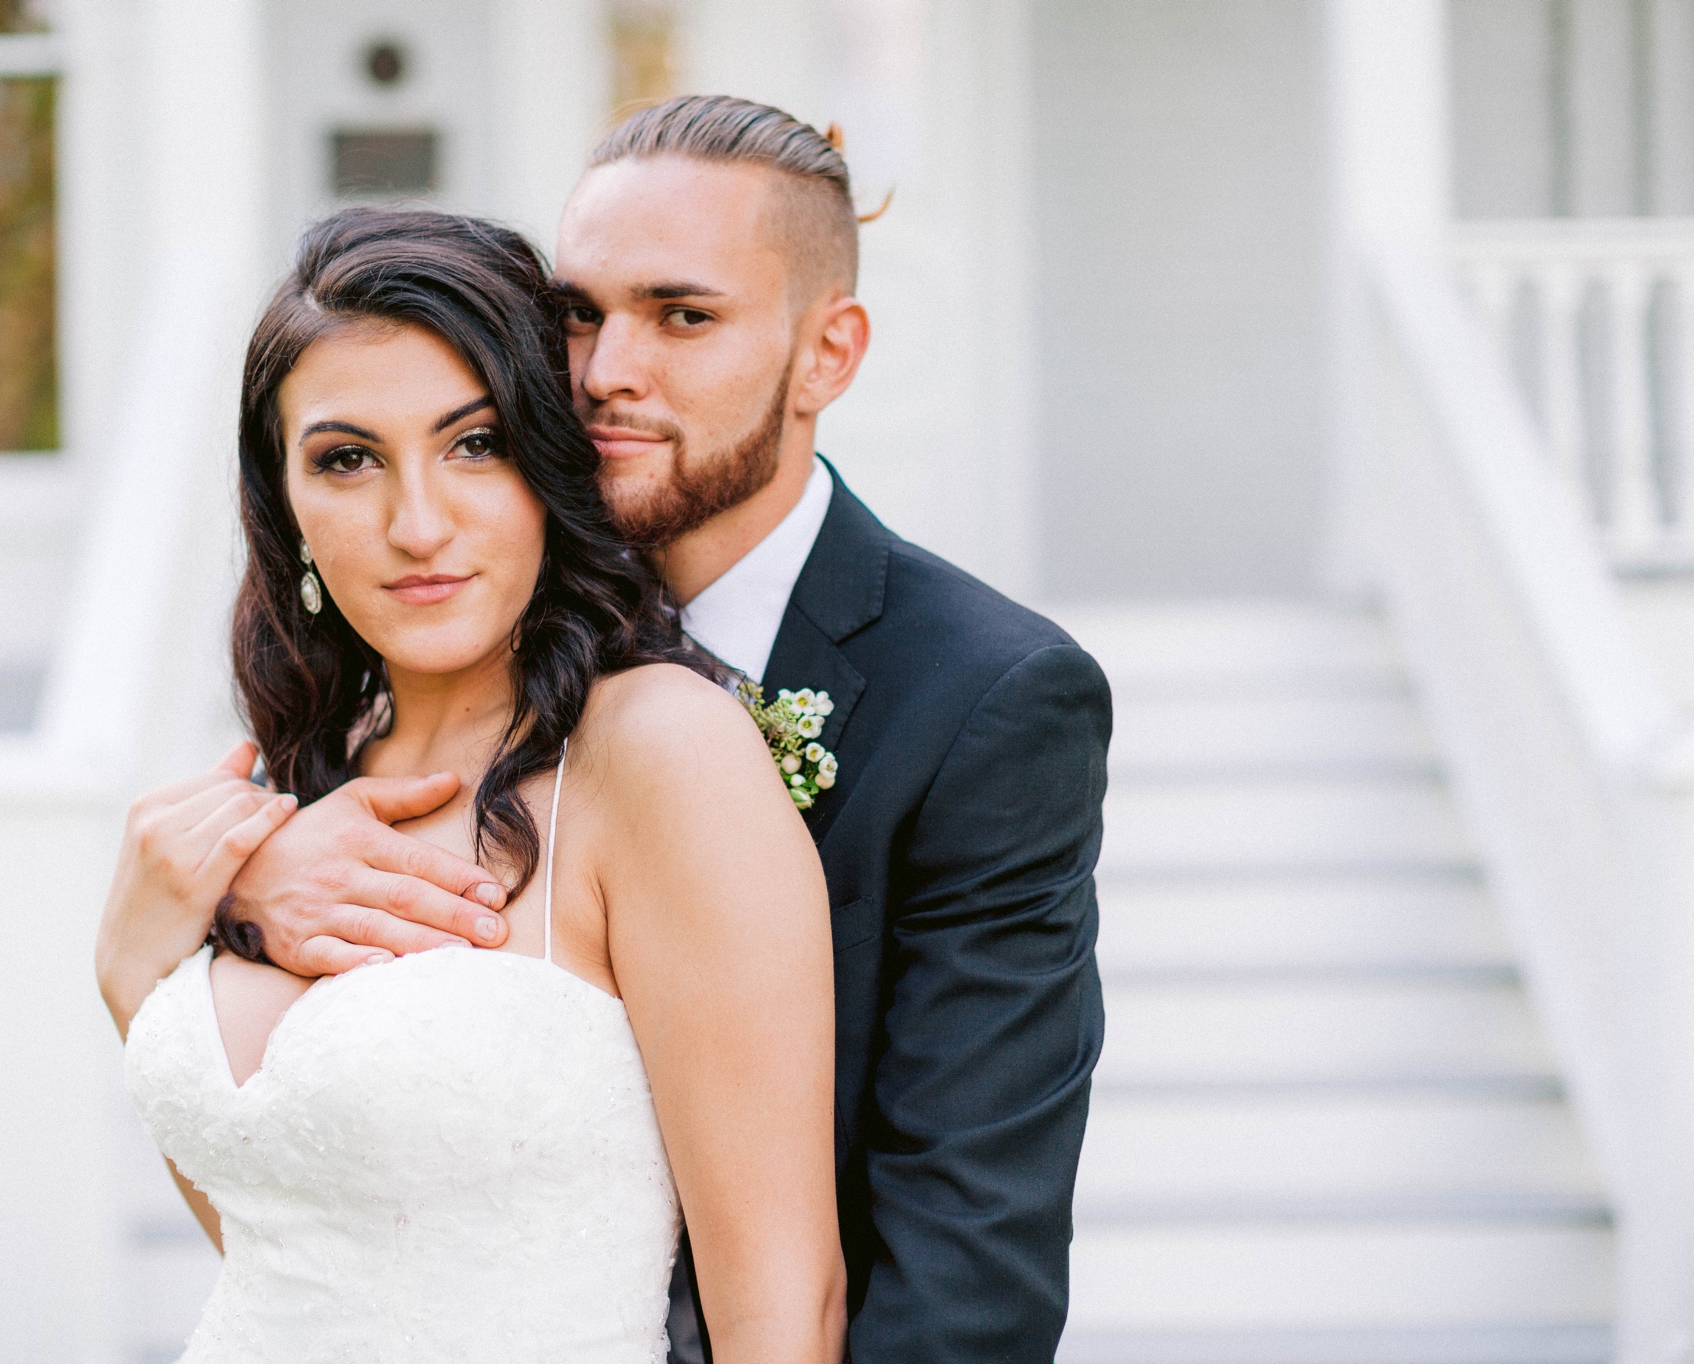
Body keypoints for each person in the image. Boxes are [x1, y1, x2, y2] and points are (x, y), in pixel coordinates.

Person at [123, 96, 1109, 1363]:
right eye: (577, 313)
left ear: (827, 354)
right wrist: (229, 898)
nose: (600, 372)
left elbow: (965, 1260)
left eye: (681, 316)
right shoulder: (425, 659)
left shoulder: (980, 696)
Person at [94, 207, 846, 1363]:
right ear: (284, 503)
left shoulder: (654, 748)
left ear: (552, 464)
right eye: (347, 459)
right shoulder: (308, 774)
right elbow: (293, 1244)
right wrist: (131, 962)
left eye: (474, 444)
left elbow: (781, 1305)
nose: (417, 523)